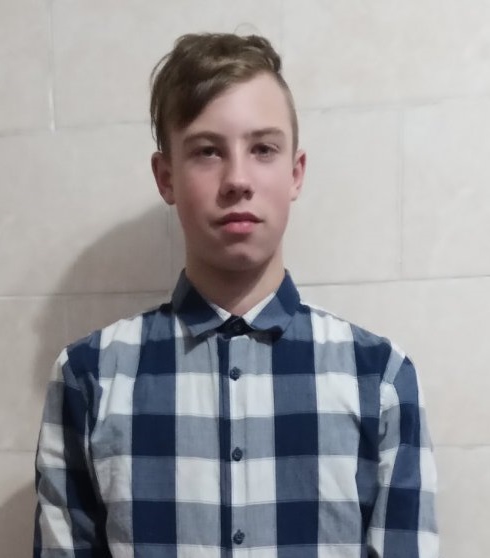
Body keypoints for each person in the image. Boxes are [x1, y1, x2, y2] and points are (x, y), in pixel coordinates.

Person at [33, 33, 439, 557]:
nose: (238, 180)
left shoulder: (380, 379)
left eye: (263, 149)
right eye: (207, 151)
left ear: (295, 173)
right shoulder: (88, 378)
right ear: (166, 177)